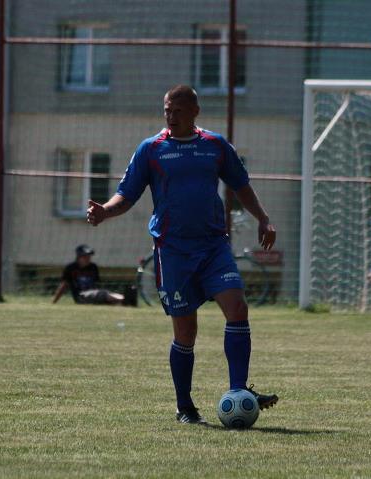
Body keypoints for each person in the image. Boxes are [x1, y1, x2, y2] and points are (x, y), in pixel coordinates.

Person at [86, 85, 278, 424]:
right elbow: (127, 194)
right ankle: (185, 406)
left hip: (213, 245)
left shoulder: (215, 146)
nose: (170, 117)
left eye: (176, 111)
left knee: (237, 307)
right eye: (166, 111)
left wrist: (262, 217)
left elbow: (240, 185)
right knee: (186, 331)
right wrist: (105, 211)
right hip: (173, 250)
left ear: (195, 112)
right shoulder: (151, 149)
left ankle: (238, 391)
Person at [52, 244, 137, 306]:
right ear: (79, 257)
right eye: (85, 257)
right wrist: (54, 301)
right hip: (81, 296)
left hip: (95, 294)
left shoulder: (93, 267)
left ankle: (126, 301)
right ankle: (125, 299)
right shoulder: (70, 268)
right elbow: (64, 285)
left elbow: (96, 284)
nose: (88, 259)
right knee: (103, 294)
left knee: (105, 296)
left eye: (89, 256)